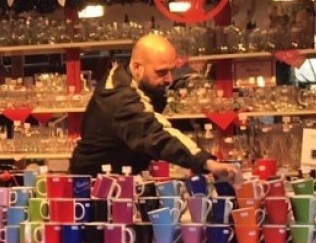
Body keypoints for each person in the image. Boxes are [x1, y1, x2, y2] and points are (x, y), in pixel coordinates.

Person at [69, 33, 238, 180]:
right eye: (161, 72)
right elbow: (154, 133)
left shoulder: (125, 78)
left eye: (171, 71)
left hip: (116, 178)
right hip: (94, 185)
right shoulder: (120, 96)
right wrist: (206, 162)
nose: (169, 79)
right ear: (136, 67)